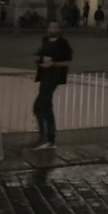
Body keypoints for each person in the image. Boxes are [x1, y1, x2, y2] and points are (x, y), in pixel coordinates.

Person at [33, 21, 73, 150]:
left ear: (59, 29)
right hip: (44, 76)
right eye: (51, 27)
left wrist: (53, 64)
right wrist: (39, 61)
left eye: (55, 27)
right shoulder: (45, 41)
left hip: (53, 78)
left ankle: (46, 139)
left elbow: (67, 62)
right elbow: (43, 56)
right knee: (44, 107)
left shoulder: (63, 43)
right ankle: (49, 139)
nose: (53, 29)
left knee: (40, 106)